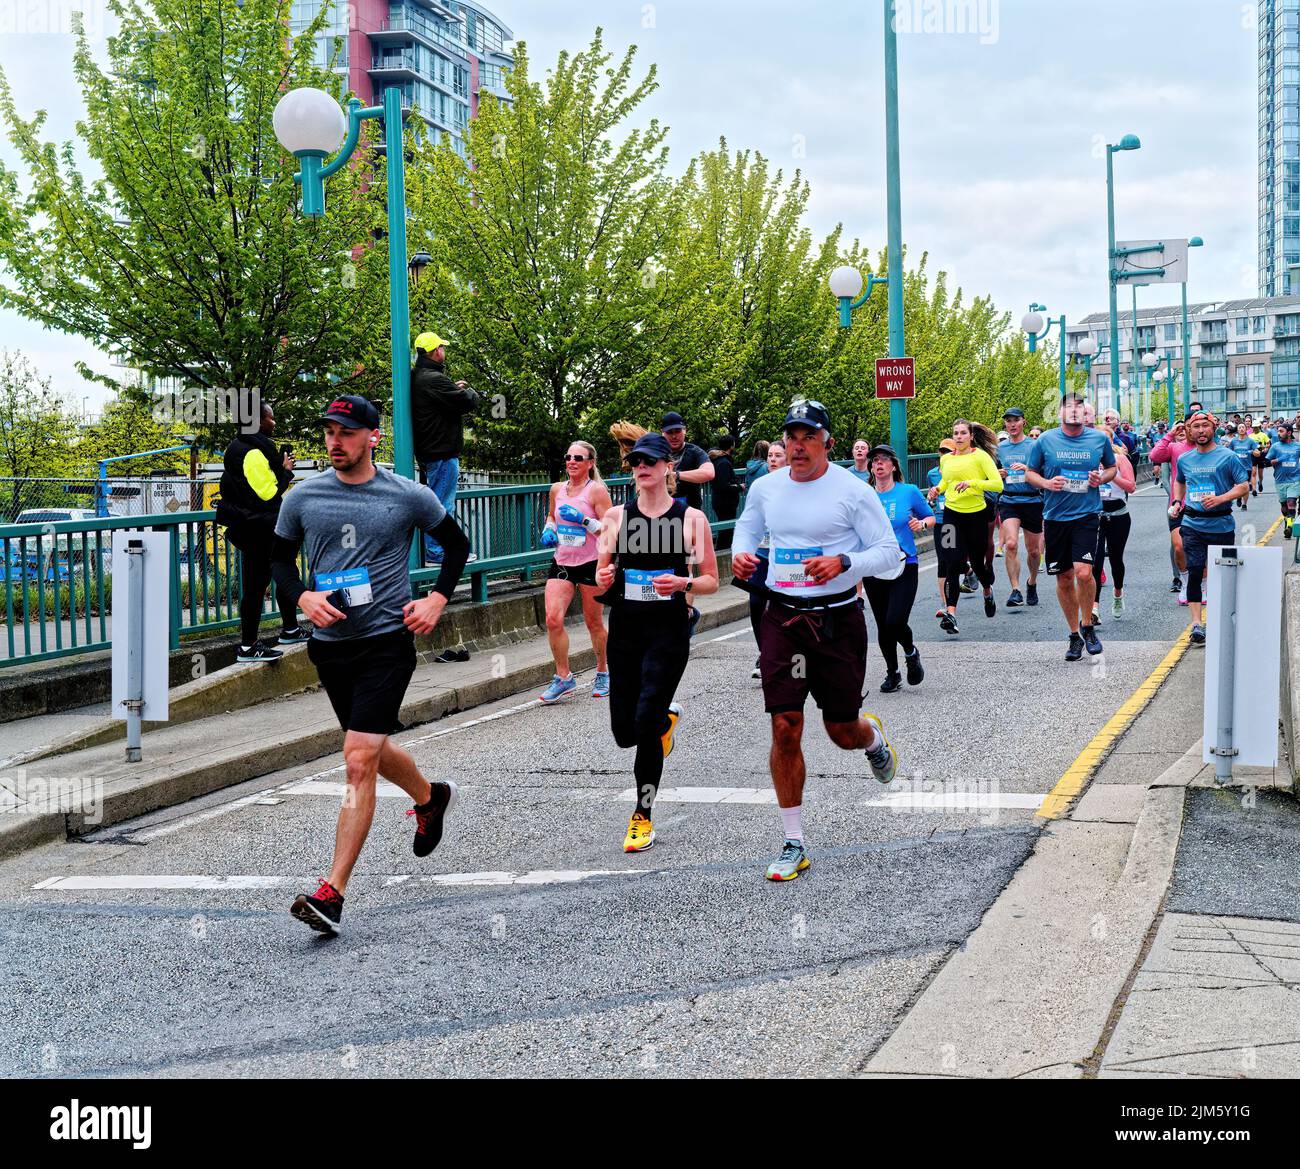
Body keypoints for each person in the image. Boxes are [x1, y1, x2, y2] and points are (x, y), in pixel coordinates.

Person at [271, 395, 471, 935]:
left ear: (372, 437)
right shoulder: (303, 496)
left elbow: (457, 545)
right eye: (330, 431)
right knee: (374, 748)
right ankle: (431, 799)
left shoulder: (408, 495)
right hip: (330, 645)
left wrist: (437, 599)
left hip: (387, 642)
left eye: (348, 432)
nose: (336, 441)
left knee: (358, 758)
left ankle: (332, 892)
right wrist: (300, 598)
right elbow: (276, 556)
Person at [732, 399, 904, 882]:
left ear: (827, 441)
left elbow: (890, 554)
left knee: (840, 731)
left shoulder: (851, 491)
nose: (798, 445)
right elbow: (747, 529)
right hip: (782, 617)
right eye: (791, 436)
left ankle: (870, 739)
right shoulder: (766, 488)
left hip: (837, 620)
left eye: (809, 437)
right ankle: (794, 841)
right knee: (785, 724)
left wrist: (844, 564)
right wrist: (743, 555)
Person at [596, 430, 719, 853]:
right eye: (635, 463)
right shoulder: (616, 517)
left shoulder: (690, 519)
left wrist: (684, 581)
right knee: (623, 732)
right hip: (627, 628)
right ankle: (666, 723)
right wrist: (606, 576)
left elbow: (711, 581)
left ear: (669, 467)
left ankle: (642, 816)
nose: (641, 468)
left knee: (644, 721)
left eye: (650, 461)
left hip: (668, 629)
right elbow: (601, 572)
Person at [1025, 393, 1118, 661]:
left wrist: (1101, 477)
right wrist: (1046, 484)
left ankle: (1088, 625)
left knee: (1084, 572)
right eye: (1068, 407)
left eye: (1079, 407)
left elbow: (1112, 468)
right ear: (1060, 412)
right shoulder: (1045, 440)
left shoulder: (1098, 439)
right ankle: (1074, 634)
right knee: (1064, 577)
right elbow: (1031, 473)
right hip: (1055, 517)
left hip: (1087, 514)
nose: (1074, 411)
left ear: (1086, 414)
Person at [216, 399, 306, 662]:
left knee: (281, 572)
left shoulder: (245, 447)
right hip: (258, 528)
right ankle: (249, 646)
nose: (274, 422)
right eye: (270, 417)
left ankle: (289, 629)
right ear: (257, 420)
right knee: (259, 584)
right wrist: (286, 473)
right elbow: (267, 493)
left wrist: (279, 467)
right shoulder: (251, 452)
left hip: (253, 526)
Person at [537, 440, 613, 703]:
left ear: (590, 463)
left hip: (592, 563)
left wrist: (583, 520)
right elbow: (551, 516)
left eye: (578, 458)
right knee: (552, 619)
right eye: (568, 456)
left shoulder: (597, 492)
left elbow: (610, 529)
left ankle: (603, 671)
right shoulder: (557, 489)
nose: (571, 461)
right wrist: (549, 529)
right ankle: (563, 677)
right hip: (562, 562)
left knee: (593, 622)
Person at [1171, 410, 1250, 645]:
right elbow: (1180, 480)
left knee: (1221, 574)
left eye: (1205, 426)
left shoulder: (1227, 456)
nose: (1201, 431)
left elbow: (1243, 486)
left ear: (1213, 428)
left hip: (1221, 524)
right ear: (1189, 431)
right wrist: (1177, 501)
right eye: (1196, 427)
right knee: (1195, 571)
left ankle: (1220, 619)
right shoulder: (1185, 459)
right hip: (1192, 523)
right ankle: (1196, 624)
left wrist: (1221, 498)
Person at [867, 444, 933, 692]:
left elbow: (931, 516)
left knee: (895, 620)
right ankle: (892, 673)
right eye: (874, 461)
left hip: (904, 564)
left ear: (893, 466)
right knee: (883, 624)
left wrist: (922, 525)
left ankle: (910, 652)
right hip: (875, 565)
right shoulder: (865, 495)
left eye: (883, 459)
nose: (878, 464)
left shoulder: (909, 491)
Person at [927, 419, 1002, 634]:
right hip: (951, 516)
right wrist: (936, 490)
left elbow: (997, 484)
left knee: (978, 563)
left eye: (962, 433)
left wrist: (973, 483)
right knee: (951, 562)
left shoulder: (981, 457)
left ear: (970, 436)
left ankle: (987, 590)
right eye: (955, 433)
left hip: (976, 516)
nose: (958, 436)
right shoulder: (947, 460)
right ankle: (951, 613)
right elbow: (946, 482)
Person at [411, 332, 480, 565]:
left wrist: (452, 388)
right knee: (442, 504)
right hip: (441, 451)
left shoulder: (419, 376)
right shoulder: (433, 379)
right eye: (442, 347)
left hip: (429, 449)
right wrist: (468, 392)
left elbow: (441, 401)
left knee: (438, 501)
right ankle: (437, 552)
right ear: (435, 351)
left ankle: (437, 550)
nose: (444, 351)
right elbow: (467, 402)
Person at [661, 412, 714, 635]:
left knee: (687, 566)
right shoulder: (657, 452)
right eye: (669, 432)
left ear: (684, 430)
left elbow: (709, 473)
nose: (674, 436)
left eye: (677, 431)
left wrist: (678, 475)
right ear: (662, 434)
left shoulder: (693, 452)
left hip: (688, 519)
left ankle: (686, 613)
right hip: (660, 517)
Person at [741, 440, 787, 680]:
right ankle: (764, 653)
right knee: (757, 603)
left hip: (787, 557)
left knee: (786, 606)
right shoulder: (759, 486)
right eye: (770, 455)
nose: (772, 459)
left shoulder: (796, 485)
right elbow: (749, 521)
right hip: (761, 553)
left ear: (788, 459)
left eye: (778, 455)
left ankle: (792, 652)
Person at [1090, 418, 1137, 622]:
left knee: (1116, 560)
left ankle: (1118, 593)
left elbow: (1131, 487)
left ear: (1111, 441)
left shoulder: (1119, 460)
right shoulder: (1089, 460)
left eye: (1106, 440)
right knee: (1095, 562)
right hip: (1095, 515)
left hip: (1118, 515)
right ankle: (1094, 608)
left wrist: (1110, 475)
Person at [996, 407, 1043, 608]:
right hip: (1009, 500)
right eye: (1008, 421)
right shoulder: (1000, 448)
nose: (1012, 424)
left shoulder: (1035, 445)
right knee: (1012, 544)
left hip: (1032, 500)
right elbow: (991, 473)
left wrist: (1028, 470)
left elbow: (1045, 471)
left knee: (1033, 551)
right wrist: (999, 474)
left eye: (1016, 420)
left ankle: (1031, 582)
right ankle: (1015, 590)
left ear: (1024, 421)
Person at [1150, 418, 1194, 602]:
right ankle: (1184, 582)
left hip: (1204, 504)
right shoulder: (1175, 448)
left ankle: (1202, 584)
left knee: (1200, 548)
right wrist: (1170, 434)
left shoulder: (1209, 448)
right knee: (1179, 546)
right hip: (1179, 504)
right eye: (1188, 425)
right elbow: (1154, 456)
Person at [927, 438, 962, 618]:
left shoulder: (959, 470)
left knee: (952, 560)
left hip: (954, 520)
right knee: (942, 560)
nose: (945, 455)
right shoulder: (932, 474)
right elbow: (931, 496)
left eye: (949, 451)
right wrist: (931, 500)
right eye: (942, 451)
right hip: (940, 520)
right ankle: (945, 603)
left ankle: (969, 571)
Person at [709, 434, 742, 549]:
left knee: (725, 531)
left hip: (720, 501)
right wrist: (739, 487)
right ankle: (722, 554)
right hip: (725, 503)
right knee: (726, 532)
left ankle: (722, 551)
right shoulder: (723, 462)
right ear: (731, 446)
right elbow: (723, 486)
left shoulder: (717, 460)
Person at [1269, 421, 1300, 538]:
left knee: (1291, 502)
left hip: (1295, 480)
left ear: (1289, 432)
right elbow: (1265, 462)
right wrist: (1278, 460)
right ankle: (1288, 522)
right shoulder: (1275, 446)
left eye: (1281, 431)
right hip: (1280, 481)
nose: (1278, 434)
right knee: (1284, 507)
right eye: (1278, 431)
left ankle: (1290, 527)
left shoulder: (1297, 446)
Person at [1226, 424, 1258, 511]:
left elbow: (1257, 452)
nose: (1241, 429)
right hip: (1236, 467)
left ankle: (1244, 504)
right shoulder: (1234, 441)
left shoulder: (1250, 441)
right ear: (1237, 430)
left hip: (1247, 467)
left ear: (1246, 429)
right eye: (1239, 427)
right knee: (1237, 485)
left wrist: (1252, 452)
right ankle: (1239, 497)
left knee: (1245, 486)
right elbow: (1229, 452)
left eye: (1243, 427)